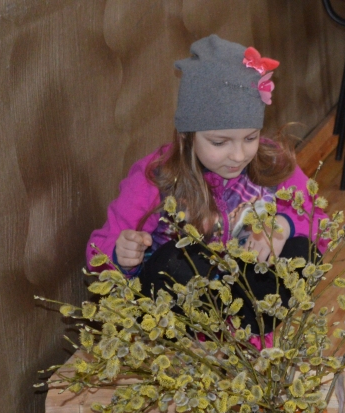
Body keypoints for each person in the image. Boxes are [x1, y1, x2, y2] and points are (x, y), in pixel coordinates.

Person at [86, 35, 325, 336]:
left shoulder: (271, 163)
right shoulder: (155, 176)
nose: (238, 155)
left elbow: (321, 224)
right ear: (188, 135)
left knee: (302, 249)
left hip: (247, 303)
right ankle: (204, 343)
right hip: (183, 314)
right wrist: (121, 255)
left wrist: (283, 226)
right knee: (176, 260)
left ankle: (245, 339)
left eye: (250, 138)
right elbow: (99, 250)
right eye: (219, 142)